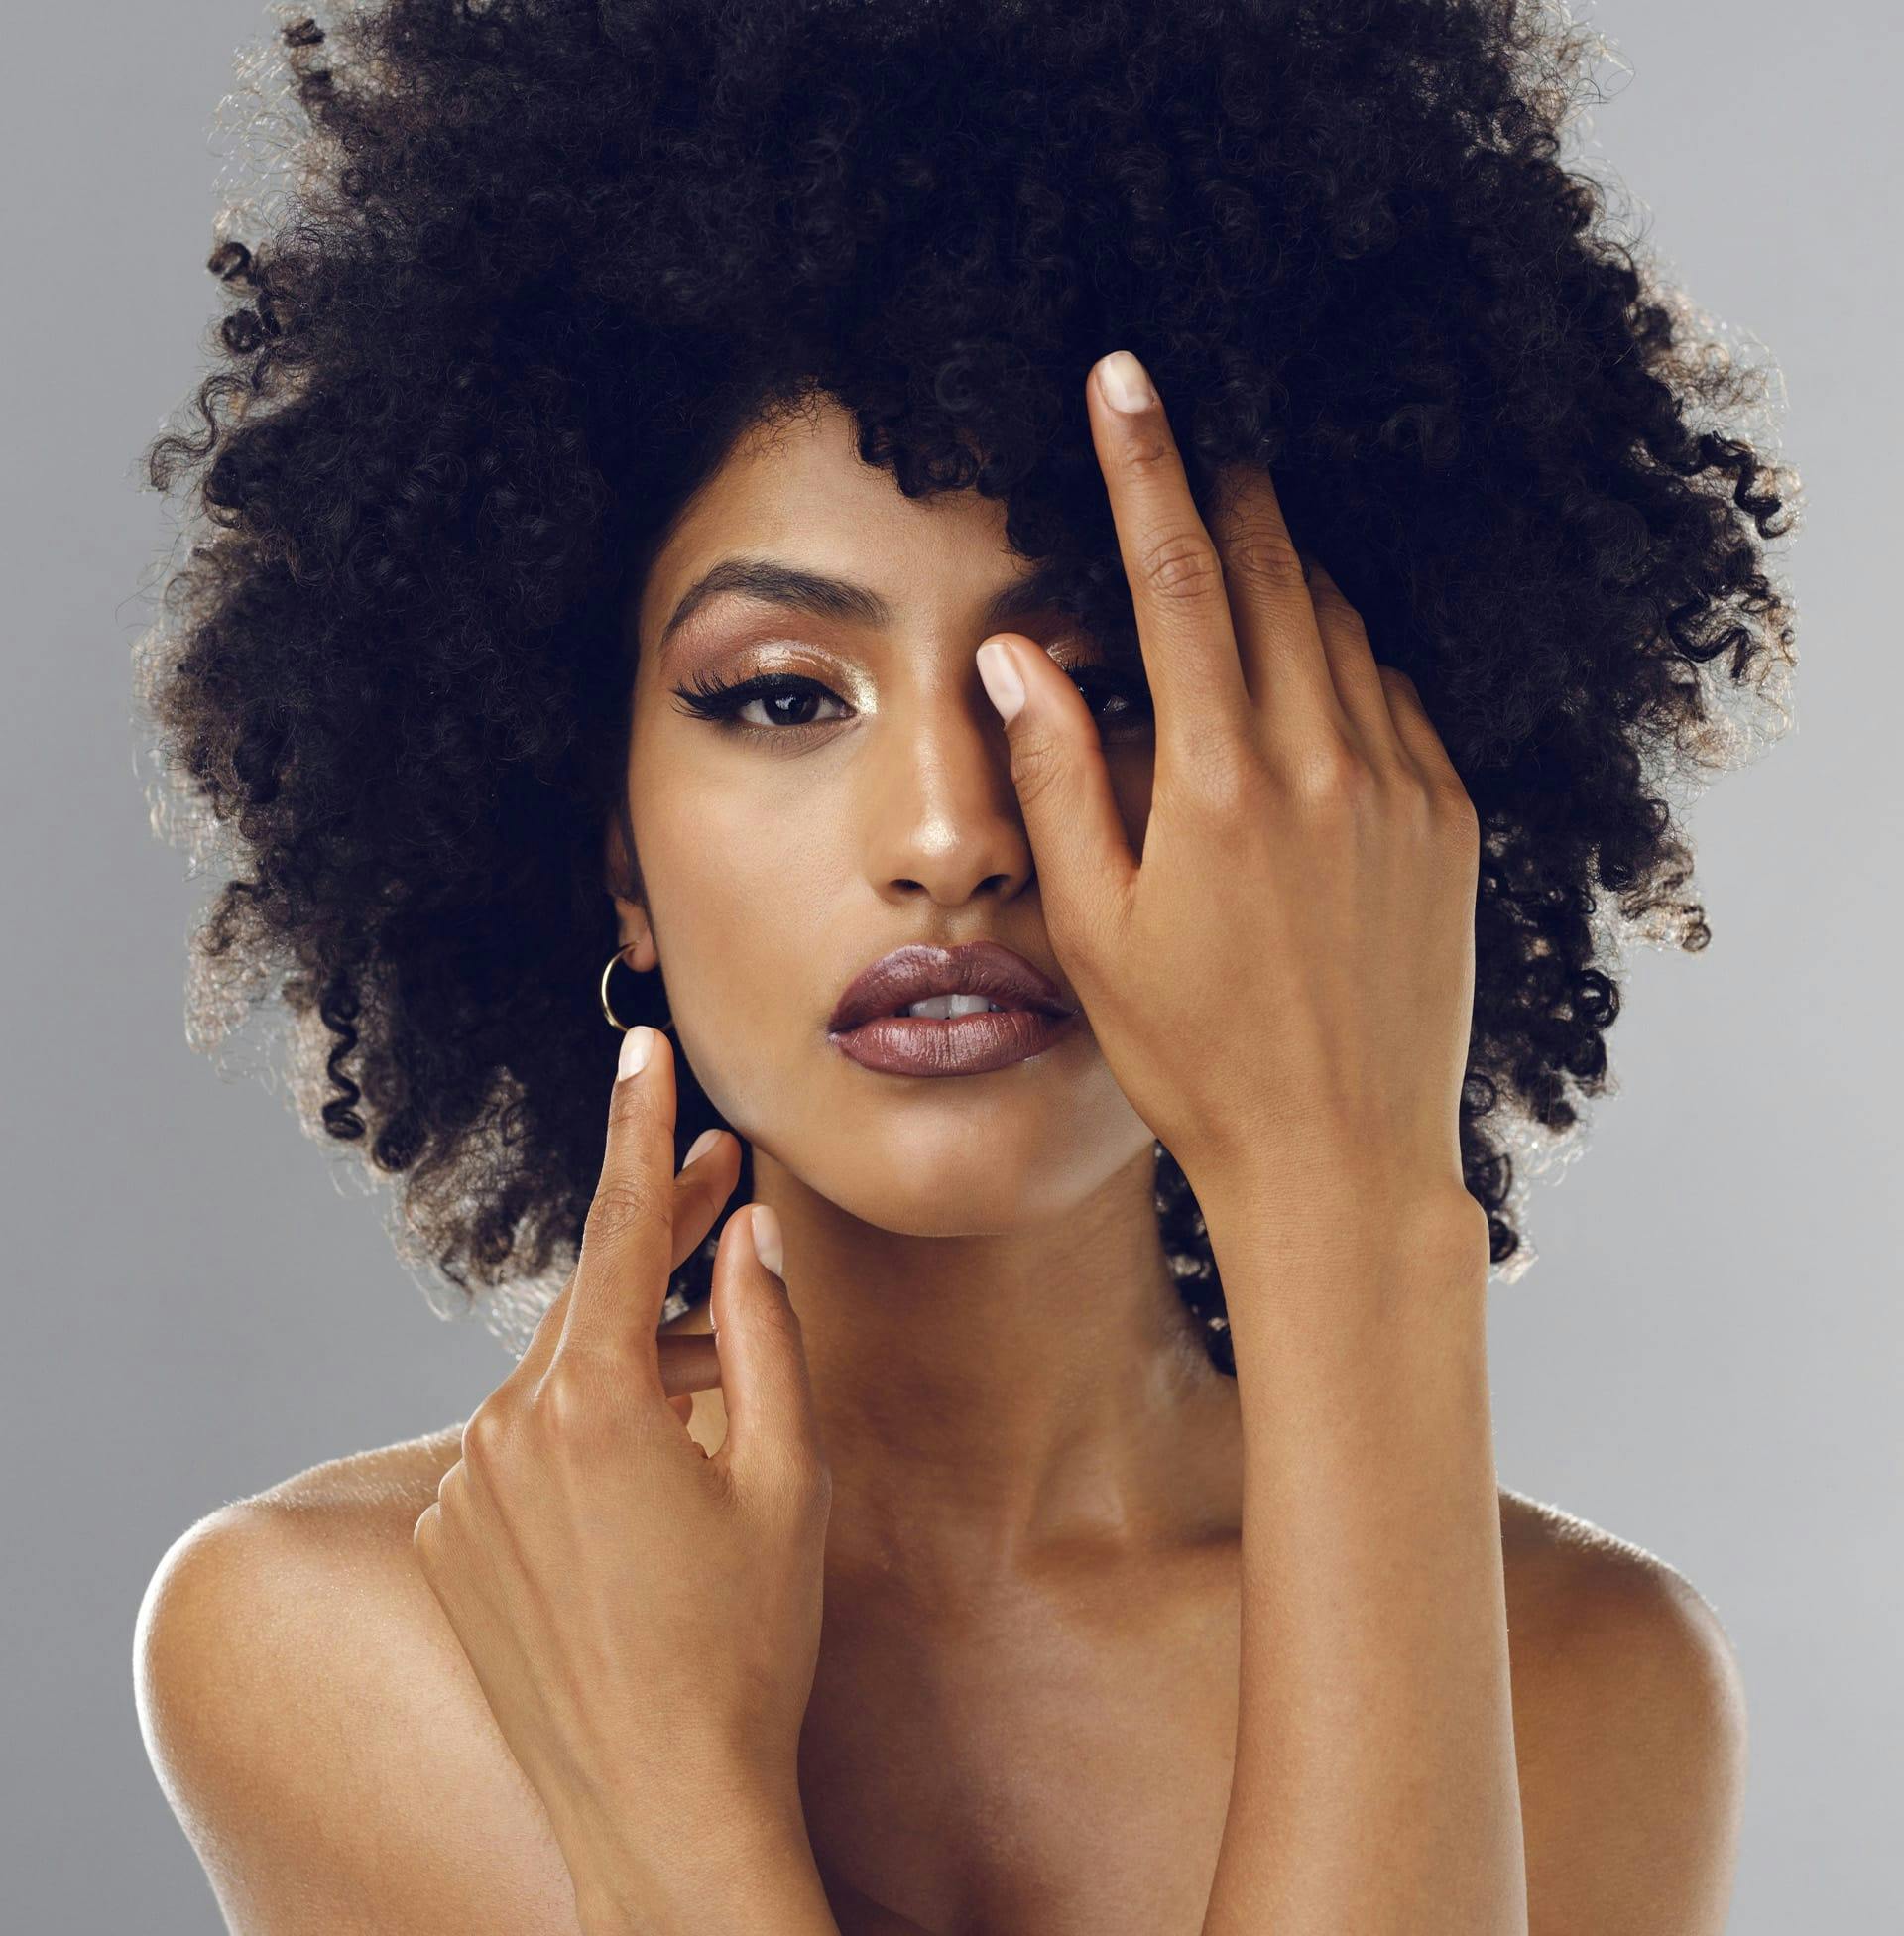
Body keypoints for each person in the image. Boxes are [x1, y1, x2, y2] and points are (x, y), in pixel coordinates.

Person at [131, 2, 1794, 1931]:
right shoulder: (343, 1627)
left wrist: (1350, 1196)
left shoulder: (1588, 1679)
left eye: (1096, 685)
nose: (951, 828)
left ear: (1334, 795)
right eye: (777, 693)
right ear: (605, 839)